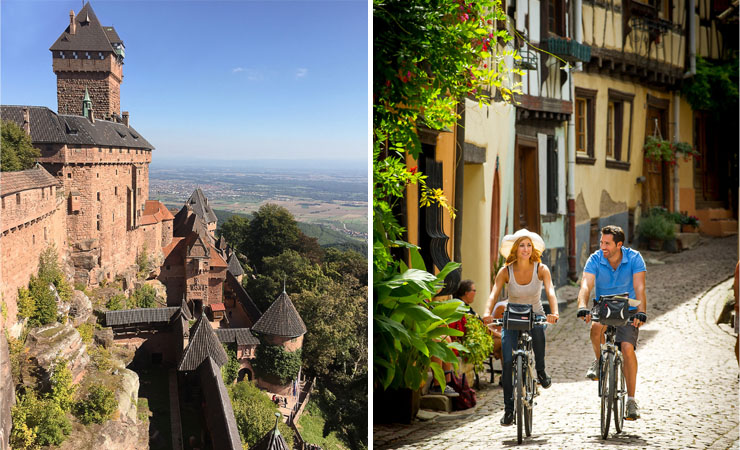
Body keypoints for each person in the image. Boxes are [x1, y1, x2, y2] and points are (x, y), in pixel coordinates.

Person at [483, 229, 559, 426]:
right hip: (512, 316)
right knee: (507, 363)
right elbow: (493, 294)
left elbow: (550, 291)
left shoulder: (541, 269)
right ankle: (509, 411)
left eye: (528, 245)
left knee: (539, 332)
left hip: (535, 314)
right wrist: (486, 312)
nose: (526, 249)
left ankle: (541, 371)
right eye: (522, 245)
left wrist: (555, 312)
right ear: (515, 249)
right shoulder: (505, 271)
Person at [575, 225, 647, 421]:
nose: (602, 246)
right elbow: (586, 285)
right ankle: (599, 362)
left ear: (619, 245)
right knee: (596, 326)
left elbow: (639, 287)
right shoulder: (595, 259)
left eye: (607, 243)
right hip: (604, 304)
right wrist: (582, 305)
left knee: (627, 348)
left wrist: (641, 312)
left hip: (629, 306)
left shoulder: (634, 258)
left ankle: (631, 401)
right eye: (601, 242)